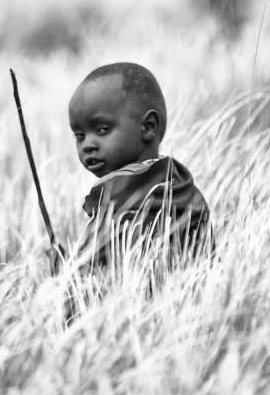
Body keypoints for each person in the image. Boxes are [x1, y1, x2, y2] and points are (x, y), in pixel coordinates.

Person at [68, 61, 213, 273]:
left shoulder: (116, 201)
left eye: (102, 129)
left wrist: (64, 277)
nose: (88, 144)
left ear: (148, 127)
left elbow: (91, 282)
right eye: (80, 136)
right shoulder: (183, 186)